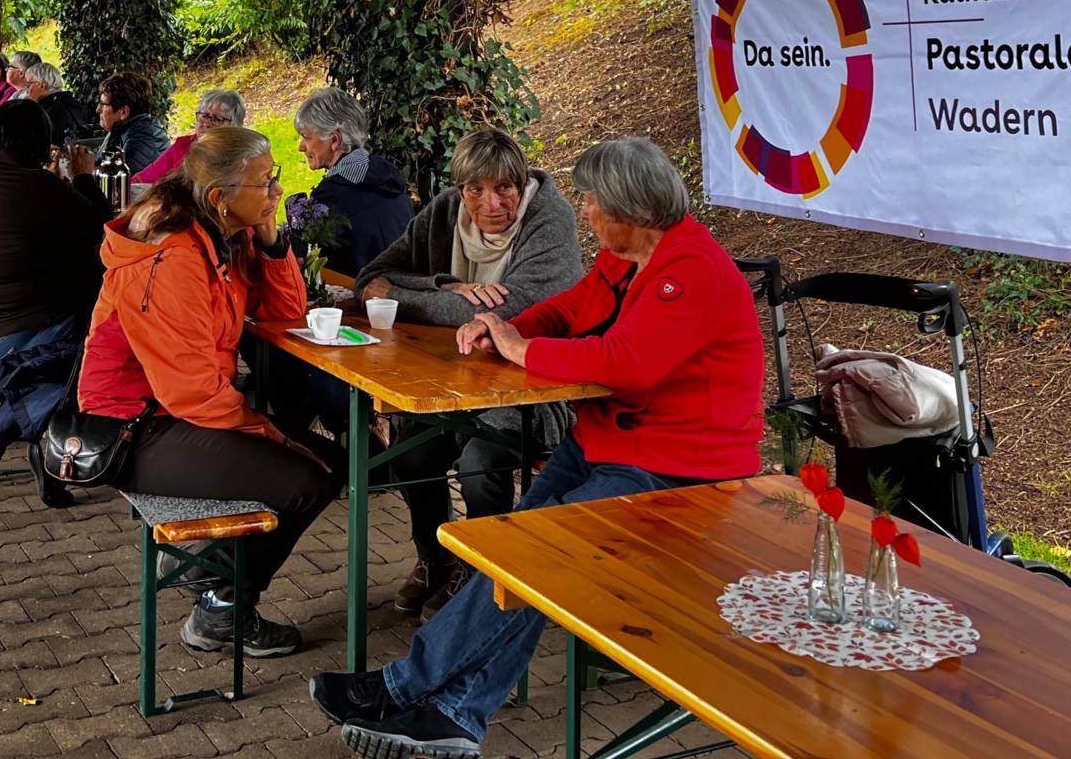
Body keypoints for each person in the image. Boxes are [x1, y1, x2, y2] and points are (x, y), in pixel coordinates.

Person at [309, 137, 767, 759]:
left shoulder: (690, 271)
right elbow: (568, 309)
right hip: (605, 439)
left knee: (532, 558)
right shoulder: (622, 256)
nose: (584, 212)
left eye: (592, 201)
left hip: (678, 467)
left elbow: (629, 364)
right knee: (514, 556)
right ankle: (455, 715)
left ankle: (403, 688)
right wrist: (508, 329)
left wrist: (523, 349)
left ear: (629, 208)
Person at [80, 127, 343, 658]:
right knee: (308, 476)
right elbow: (191, 391)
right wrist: (272, 434)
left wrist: (273, 238)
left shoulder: (224, 233)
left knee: (331, 461)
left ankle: (206, 564)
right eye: (266, 182)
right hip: (134, 426)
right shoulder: (174, 257)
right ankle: (222, 608)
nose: (276, 191)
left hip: (182, 410)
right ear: (221, 197)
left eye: (275, 178)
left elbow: (286, 314)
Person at [355, 126, 584, 615]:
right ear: (460, 189)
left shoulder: (551, 221)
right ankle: (435, 560)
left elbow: (511, 311)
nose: (491, 202)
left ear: (522, 185)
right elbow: (370, 278)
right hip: (453, 384)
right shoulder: (445, 211)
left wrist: (404, 297)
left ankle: (486, 576)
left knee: (481, 462)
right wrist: (448, 286)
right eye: (475, 189)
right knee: (410, 451)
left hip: (534, 394)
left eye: (505, 187)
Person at [0, 100, 107, 507]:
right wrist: (83, 177)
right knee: (106, 334)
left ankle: (34, 417)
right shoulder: (36, 186)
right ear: (40, 141)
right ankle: (51, 433)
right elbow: (100, 226)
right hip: (1, 346)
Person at [291, 87, 413, 276]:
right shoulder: (389, 178)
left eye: (306, 137)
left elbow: (301, 260)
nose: (301, 147)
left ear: (334, 140)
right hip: (405, 293)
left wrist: (295, 210)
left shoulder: (333, 196)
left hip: (364, 297)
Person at [134, 88, 243, 185]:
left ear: (234, 126)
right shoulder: (183, 145)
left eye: (217, 119)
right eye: (204, 116)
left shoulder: (241, 155)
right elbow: (143, 178)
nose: (206, 123)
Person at [94, 71, 171, 176]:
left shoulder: (141, 138)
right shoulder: (123, 128)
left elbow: (119, 182)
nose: (98, 109)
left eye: (103, 104)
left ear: (124, 112)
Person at [20, 58, 94, 141]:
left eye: (28, 84)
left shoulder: (50, 110)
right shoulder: (72, 100)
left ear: (42, 86)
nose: (26, 90)